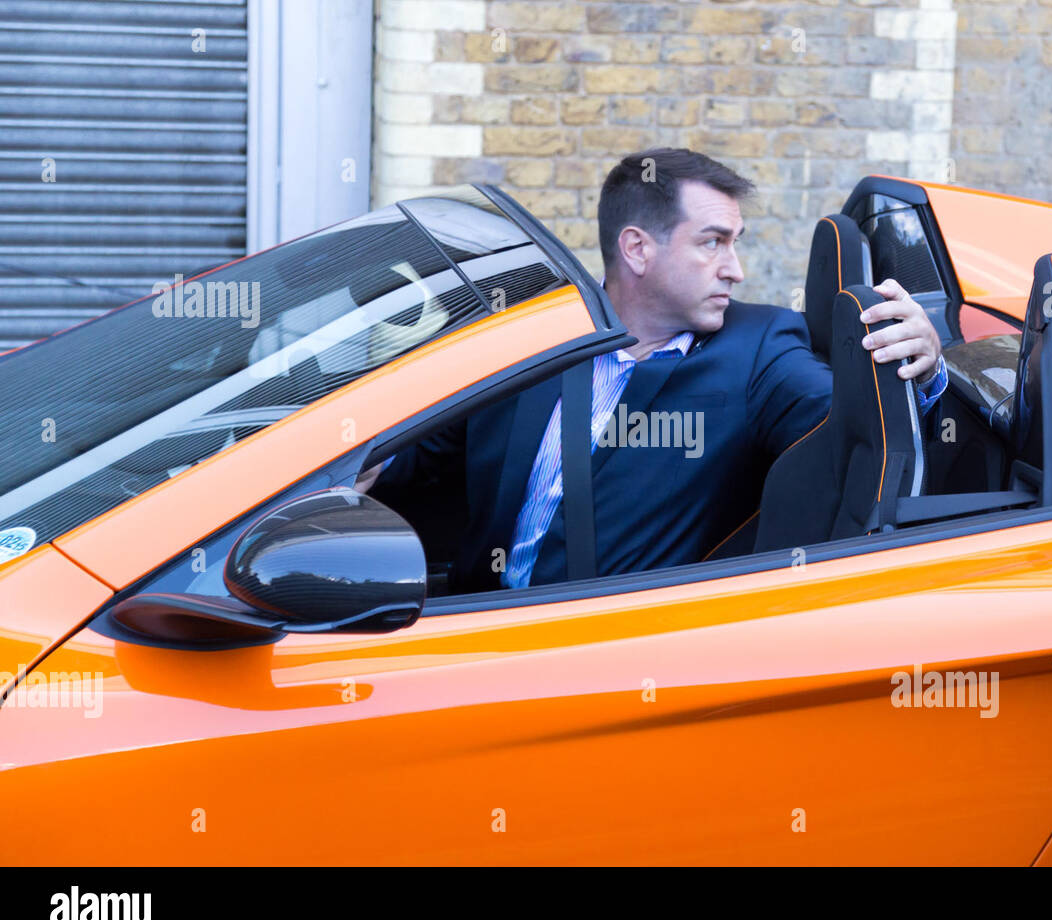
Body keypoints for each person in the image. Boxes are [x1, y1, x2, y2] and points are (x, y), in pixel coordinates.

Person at [358, 147, 946, 591]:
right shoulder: (530, 342)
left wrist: (921, 369)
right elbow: (417, 456)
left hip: (623, 658)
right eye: (712, 243)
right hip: (466, 636)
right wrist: (361, 456)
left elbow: (851, 424)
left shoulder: (760, 348)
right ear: (637, 249)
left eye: (734, 242)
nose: (735, 269)